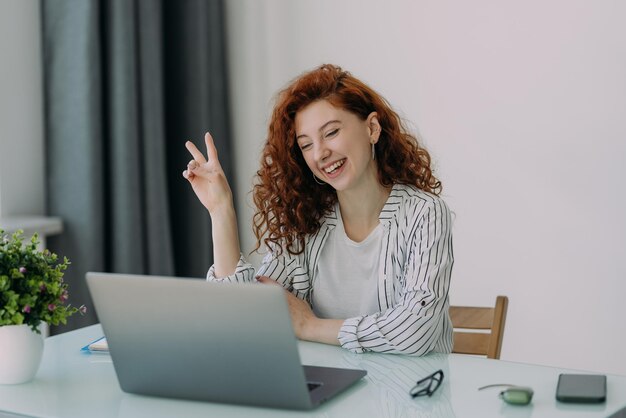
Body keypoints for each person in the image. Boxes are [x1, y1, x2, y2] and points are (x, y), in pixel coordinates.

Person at [182, 64, 453, 355]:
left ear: (372, 128)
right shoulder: (307, 221)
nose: (320, 153)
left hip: (412, 396)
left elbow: (415, 332)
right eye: (306, 145)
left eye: (332, 132)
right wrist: (221, 211)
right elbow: (242, 319)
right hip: (332, 392)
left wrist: (308, 326)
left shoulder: (425, 213)